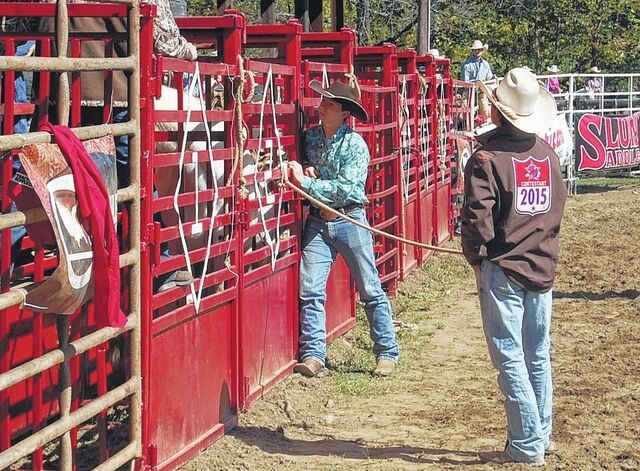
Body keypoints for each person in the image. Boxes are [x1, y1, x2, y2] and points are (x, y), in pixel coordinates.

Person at [461, 68, 567, 466]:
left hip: (503, 267)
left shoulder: (487, 159)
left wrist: (476, 255)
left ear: (498, 110)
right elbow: (555, 209)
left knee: (509, 355)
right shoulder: (547, 154)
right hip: (541, 265)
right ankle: (540, 433)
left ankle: (526, 444)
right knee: (536, 354)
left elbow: (477, 217)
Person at [288, 80, 399, 378]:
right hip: (319, 222)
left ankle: (387, 353)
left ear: (345, 114)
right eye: (324, 100)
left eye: (331, 104)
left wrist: (307, 181)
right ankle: (313, 354)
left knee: (370, 289)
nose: (322, 105)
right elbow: (316, 174)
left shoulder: (355, 146)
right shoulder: (309, 137)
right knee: (310, 289)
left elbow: (348, 190)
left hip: (349, 219)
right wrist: (309, 170)